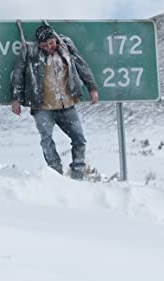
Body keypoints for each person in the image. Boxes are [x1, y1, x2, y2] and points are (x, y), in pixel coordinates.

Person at [11, 24, 99, 179]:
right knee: (46, 140)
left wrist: (92, 87)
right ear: (39, 44)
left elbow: (81, 65)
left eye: (50, 43)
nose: (48, 47)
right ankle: (55, 173)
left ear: (55, 39)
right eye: (44, 45)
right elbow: (18, 74)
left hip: (67, 104)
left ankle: (77, 173)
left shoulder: (66, 46)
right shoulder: (30, 51)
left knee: (79, 139)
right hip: (42, 106)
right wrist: (16, 99)